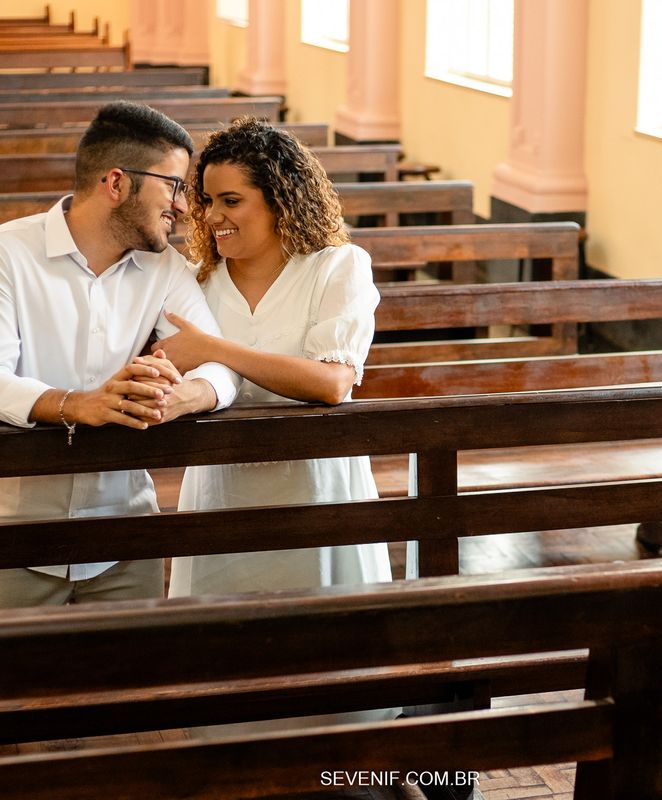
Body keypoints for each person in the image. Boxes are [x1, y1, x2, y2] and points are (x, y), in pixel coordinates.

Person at [0, 101, 239, 608]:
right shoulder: (8, 255)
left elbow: (220, 364)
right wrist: (77, 403)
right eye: (173, 185)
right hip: (14, 536)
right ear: (116, 183)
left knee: (133, 684)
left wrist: (186, 395)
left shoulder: (167, 270)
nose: (182, 205)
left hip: (126, 537)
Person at [160, 117, 392, 599]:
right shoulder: (196, 279)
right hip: (221, 489)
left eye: (231, 201)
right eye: (206, 201)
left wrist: (214, 349)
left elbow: (332, 384)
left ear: (279, 199)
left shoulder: (336, 267)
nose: (210, 217)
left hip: (315, 486)